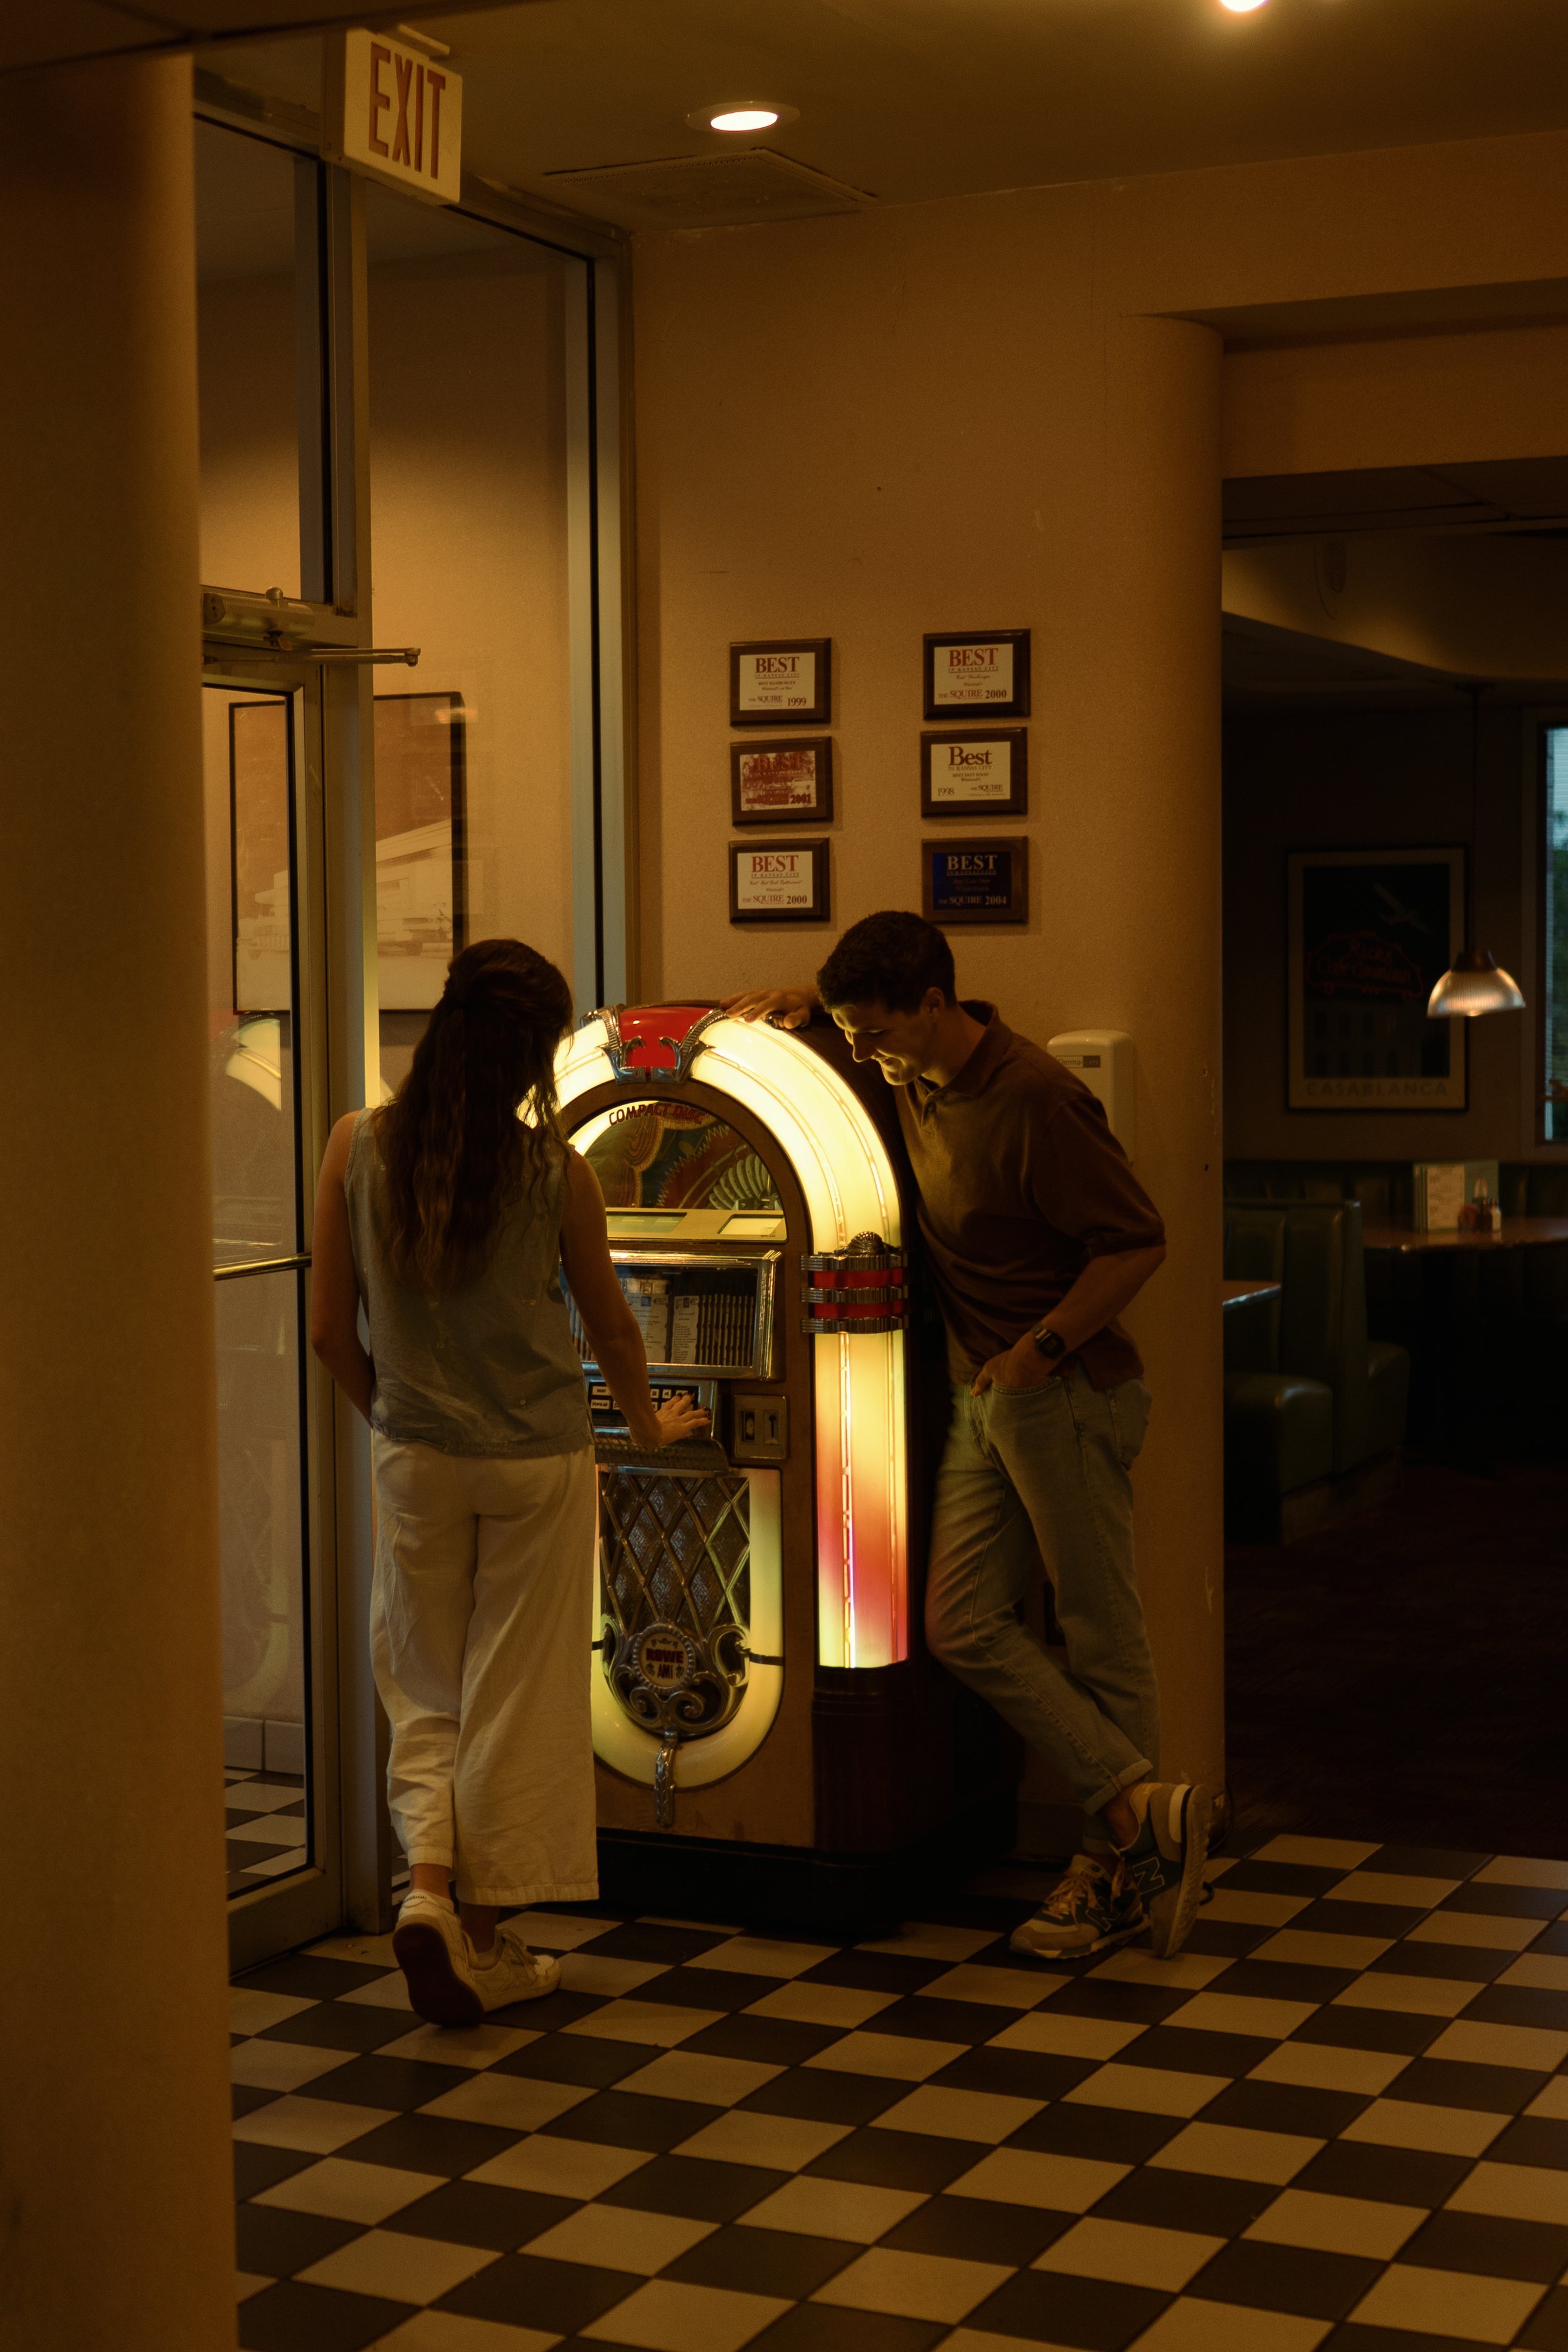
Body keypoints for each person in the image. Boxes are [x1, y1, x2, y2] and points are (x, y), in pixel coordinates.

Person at [726, 910, 1211, 1960]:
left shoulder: (1037, 1097)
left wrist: (1040, 1347)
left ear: (935, 1004)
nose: (861, 1054)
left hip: (1064, 1390)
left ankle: (1107, 1869)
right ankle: (1143, 1813)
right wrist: (803, 1009)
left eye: (876, 1032)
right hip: (985, 1397)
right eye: (851, 1033)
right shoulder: (907, 1072)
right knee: (957, 1620)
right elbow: (852, 1033)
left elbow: (1138, 1241)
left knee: (1098, 1628)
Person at [311, 938, 707, 2025]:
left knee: (423, 1684)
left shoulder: (356, 1145)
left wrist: (396, 1424)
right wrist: (647, 1425)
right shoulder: (555, 1170)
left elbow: (326, 1330)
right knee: (513, 1698)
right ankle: (479, 1934)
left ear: (442, 1017)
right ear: (535, 1051)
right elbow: (612, 1325)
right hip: (536, 1461)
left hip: (415, 1454)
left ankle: (427, 1891)